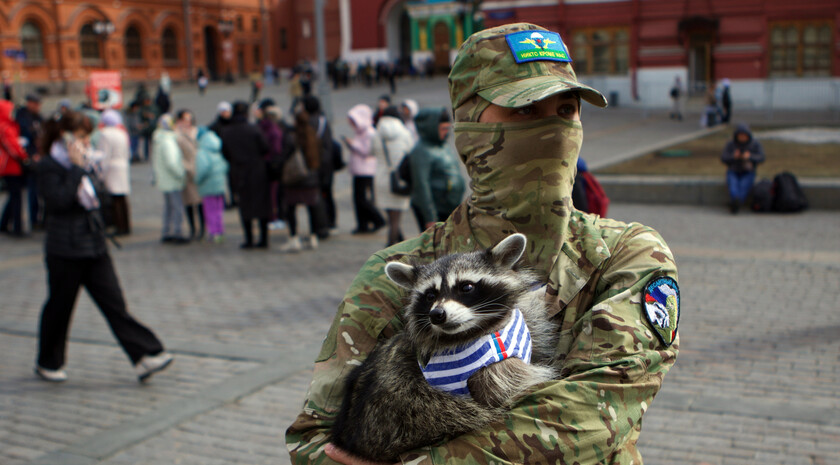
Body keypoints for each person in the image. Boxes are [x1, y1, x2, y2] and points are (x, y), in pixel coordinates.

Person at [286, 22, 680, 465]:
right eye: (526, 112)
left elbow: (597, 415)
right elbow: (314, 441)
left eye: (566, 110)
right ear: (469, 129)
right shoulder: (396, 271)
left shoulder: (628, 256)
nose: (553, 128)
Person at [35, 110, 173, 383]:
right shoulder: (49, 165)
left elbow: (102, 200)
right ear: (64, 137)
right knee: (60, 307)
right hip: (65, 249)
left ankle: (144, 355)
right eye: (81, 136)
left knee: (114, 303)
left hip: (94, 245)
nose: (87, 142)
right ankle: (47, 361)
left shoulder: (86, 162)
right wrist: (76, 168)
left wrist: (93, 170)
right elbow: (58, 202)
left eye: (88, 136)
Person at [220, 101, 271, 249]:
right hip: (257, 171)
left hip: (239, 172)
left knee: (245, 206)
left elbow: (225, 153)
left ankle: (249, 239)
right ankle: (264, 239)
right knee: (262, 206)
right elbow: (265, 147)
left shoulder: (227, 132)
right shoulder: (254, 129)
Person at [407, 107, 465, 231]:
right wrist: (430, 216)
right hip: (435, 209)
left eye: (448, 128)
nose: (446, 132)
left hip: (448, 206)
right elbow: (421, 185)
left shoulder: (442, 145)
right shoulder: (421, 151)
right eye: (443, 129)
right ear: (432, 128)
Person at [278, 106, 326, 253]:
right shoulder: (314, 136)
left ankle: (294, 238)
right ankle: (312, 237)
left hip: (295, 178)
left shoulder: (292, 137)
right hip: (311, 178)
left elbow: (284, 156)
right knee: (311, 208)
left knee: (291, 209)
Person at [371, 106, 414, 246]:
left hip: (381, 179)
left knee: (391, 217)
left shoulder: (376, 133)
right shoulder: (405, 133)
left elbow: (371, 152)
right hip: (398, 179)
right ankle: (388, 250)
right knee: (395, 220)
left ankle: (400, 242)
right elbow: (411, 152)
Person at [344, 104, 385, 235]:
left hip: (366, 170)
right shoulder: (360, 132)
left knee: (363, 199)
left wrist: (353, 144)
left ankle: (378, 219)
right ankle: (362, 224)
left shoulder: (370, 132)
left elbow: (368, 151)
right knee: (357, 199)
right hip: (358, 169)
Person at [151, 114, 189, 244]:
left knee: (168, 207)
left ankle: (166, 231)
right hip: (172, 180)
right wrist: (181, 174)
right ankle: (176, 232)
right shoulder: (168, 141)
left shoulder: (159, 139)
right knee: (177, 207)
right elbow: (172, 162)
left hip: (165, 180)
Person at [98, 109, 132, 235]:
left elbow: (105, 155)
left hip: (112, 167)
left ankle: (119, 226)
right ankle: (126, 224)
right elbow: (128, 151)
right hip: (123, 165)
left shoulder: (105, 134)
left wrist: (101, 172)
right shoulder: (122, 132)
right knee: (123, 198)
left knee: (115, 199)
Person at [0, 99, 30, 236]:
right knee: (16, 196)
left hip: (12, 165)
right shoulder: (5, 127)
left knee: (14, 196)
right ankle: (17, 227)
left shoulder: (9, 125)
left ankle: (5, 223)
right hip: (10, 166)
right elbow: (13, 147)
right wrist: (24, 157)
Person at [195, 127, 229, 243]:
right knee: (219, 210)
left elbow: (202, 170)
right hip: (219, 186)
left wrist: (197, 180)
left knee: (210, 210)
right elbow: (225, 166)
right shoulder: (217, 150)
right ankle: (220, 231)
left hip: (208, 186)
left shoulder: (202, 153)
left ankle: (213, 232)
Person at [174, 109, 204, 240]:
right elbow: (177, 155)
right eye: (185, 119)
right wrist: (186, 167)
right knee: (189, 203)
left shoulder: (197, 132)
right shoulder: (177, 135)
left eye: (189, 118)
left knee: (200, 202)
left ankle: (203, 228)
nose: (188, 121)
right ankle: (193, 229)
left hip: (200, 170)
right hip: (187, 172)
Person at [721, 124, 764, 214]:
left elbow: (761, 157)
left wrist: (749, 157)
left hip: (748, 171)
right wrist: (733, 157)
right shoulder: (731, 144)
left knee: (744, 185)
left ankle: (737, 202)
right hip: (733, 170)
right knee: (733, 185)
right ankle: (735, 201)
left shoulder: (755, 144)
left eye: (744, 135)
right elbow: (723, 158)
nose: (742, 137)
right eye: (740, 135)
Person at [16, 94, 44, 231]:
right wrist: (31, 155)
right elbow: (24, 139)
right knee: (30, 191)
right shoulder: (22, 117)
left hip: (37, 156)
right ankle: (32, 219)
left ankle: (37, 218)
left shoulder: (38, 117)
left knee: (36, 191)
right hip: (28, 159)